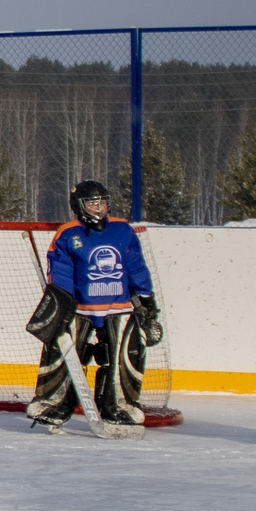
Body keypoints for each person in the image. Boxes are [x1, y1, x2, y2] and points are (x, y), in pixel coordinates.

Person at [25, 179, 165, 431]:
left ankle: (119, 406)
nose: (99, 208)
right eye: (92, 203)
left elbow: (135, 266)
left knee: (126, 356)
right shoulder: (68, 234)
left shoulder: (122, 230)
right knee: (60, 352)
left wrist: (146, 298)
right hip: (80, 311)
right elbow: (60, 272)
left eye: (102, 203)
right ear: (79, 207)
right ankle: (52, 404)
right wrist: (60, 305)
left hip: (119, 309)